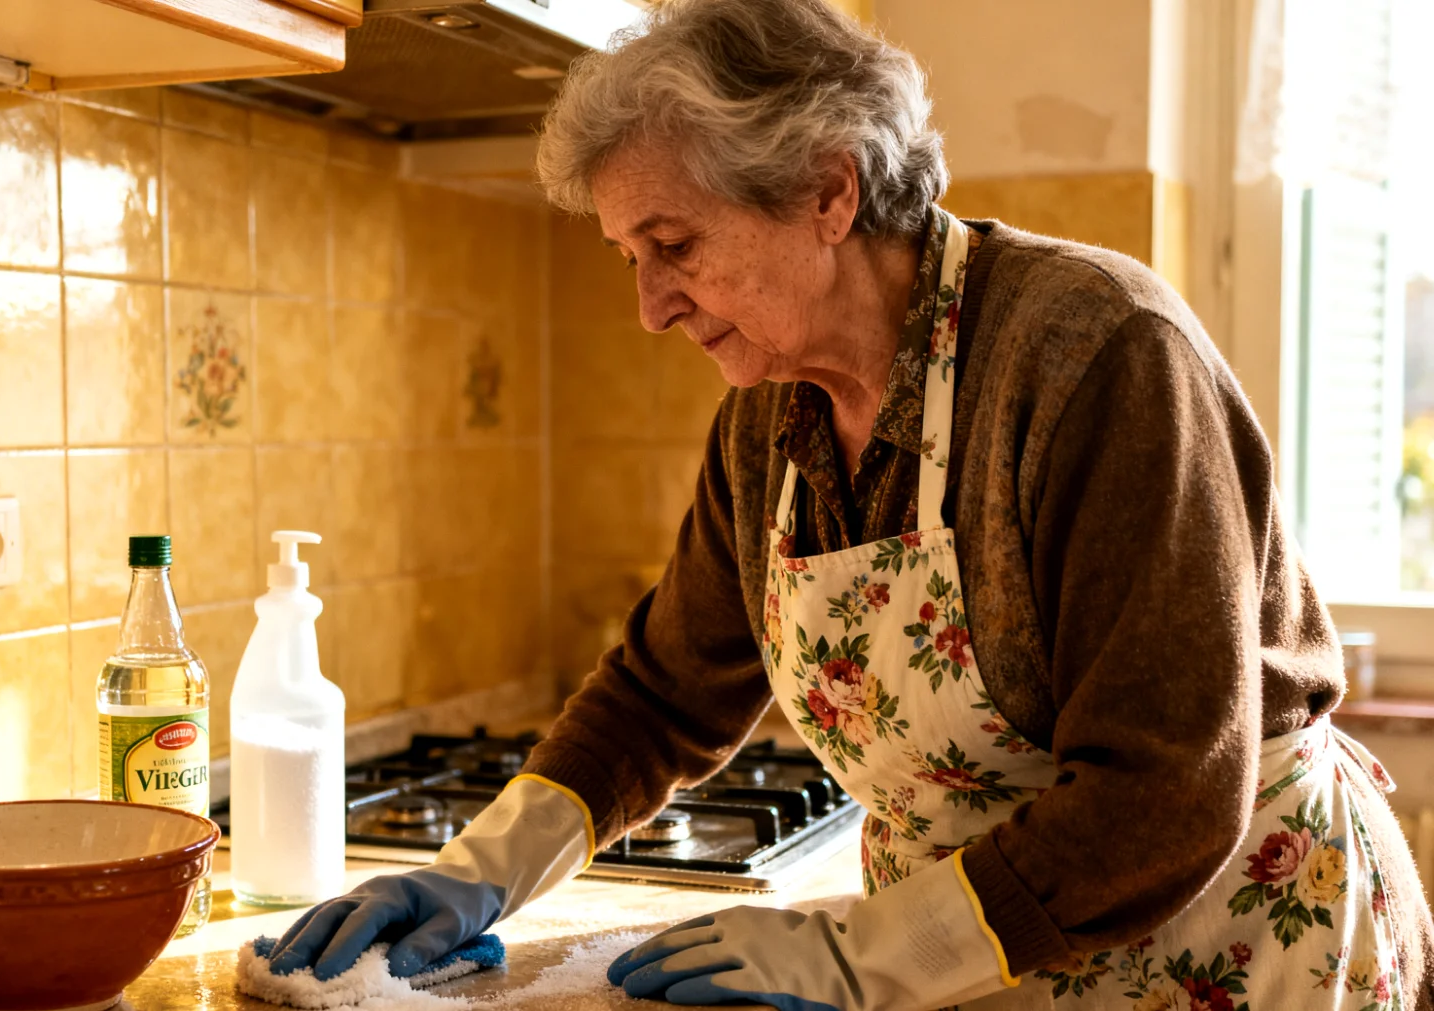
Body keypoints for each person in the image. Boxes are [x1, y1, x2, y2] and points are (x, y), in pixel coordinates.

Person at [269, 1, 1434, 1007]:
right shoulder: (770, 418)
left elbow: (1170, 789)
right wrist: (481, 867)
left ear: (829, 190)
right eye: (629, 255)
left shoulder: (1097, 356)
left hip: (1229, 940)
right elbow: (665, 691)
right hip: (971, 954)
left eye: (673, 244)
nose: (650, 307)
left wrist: (860, 954)